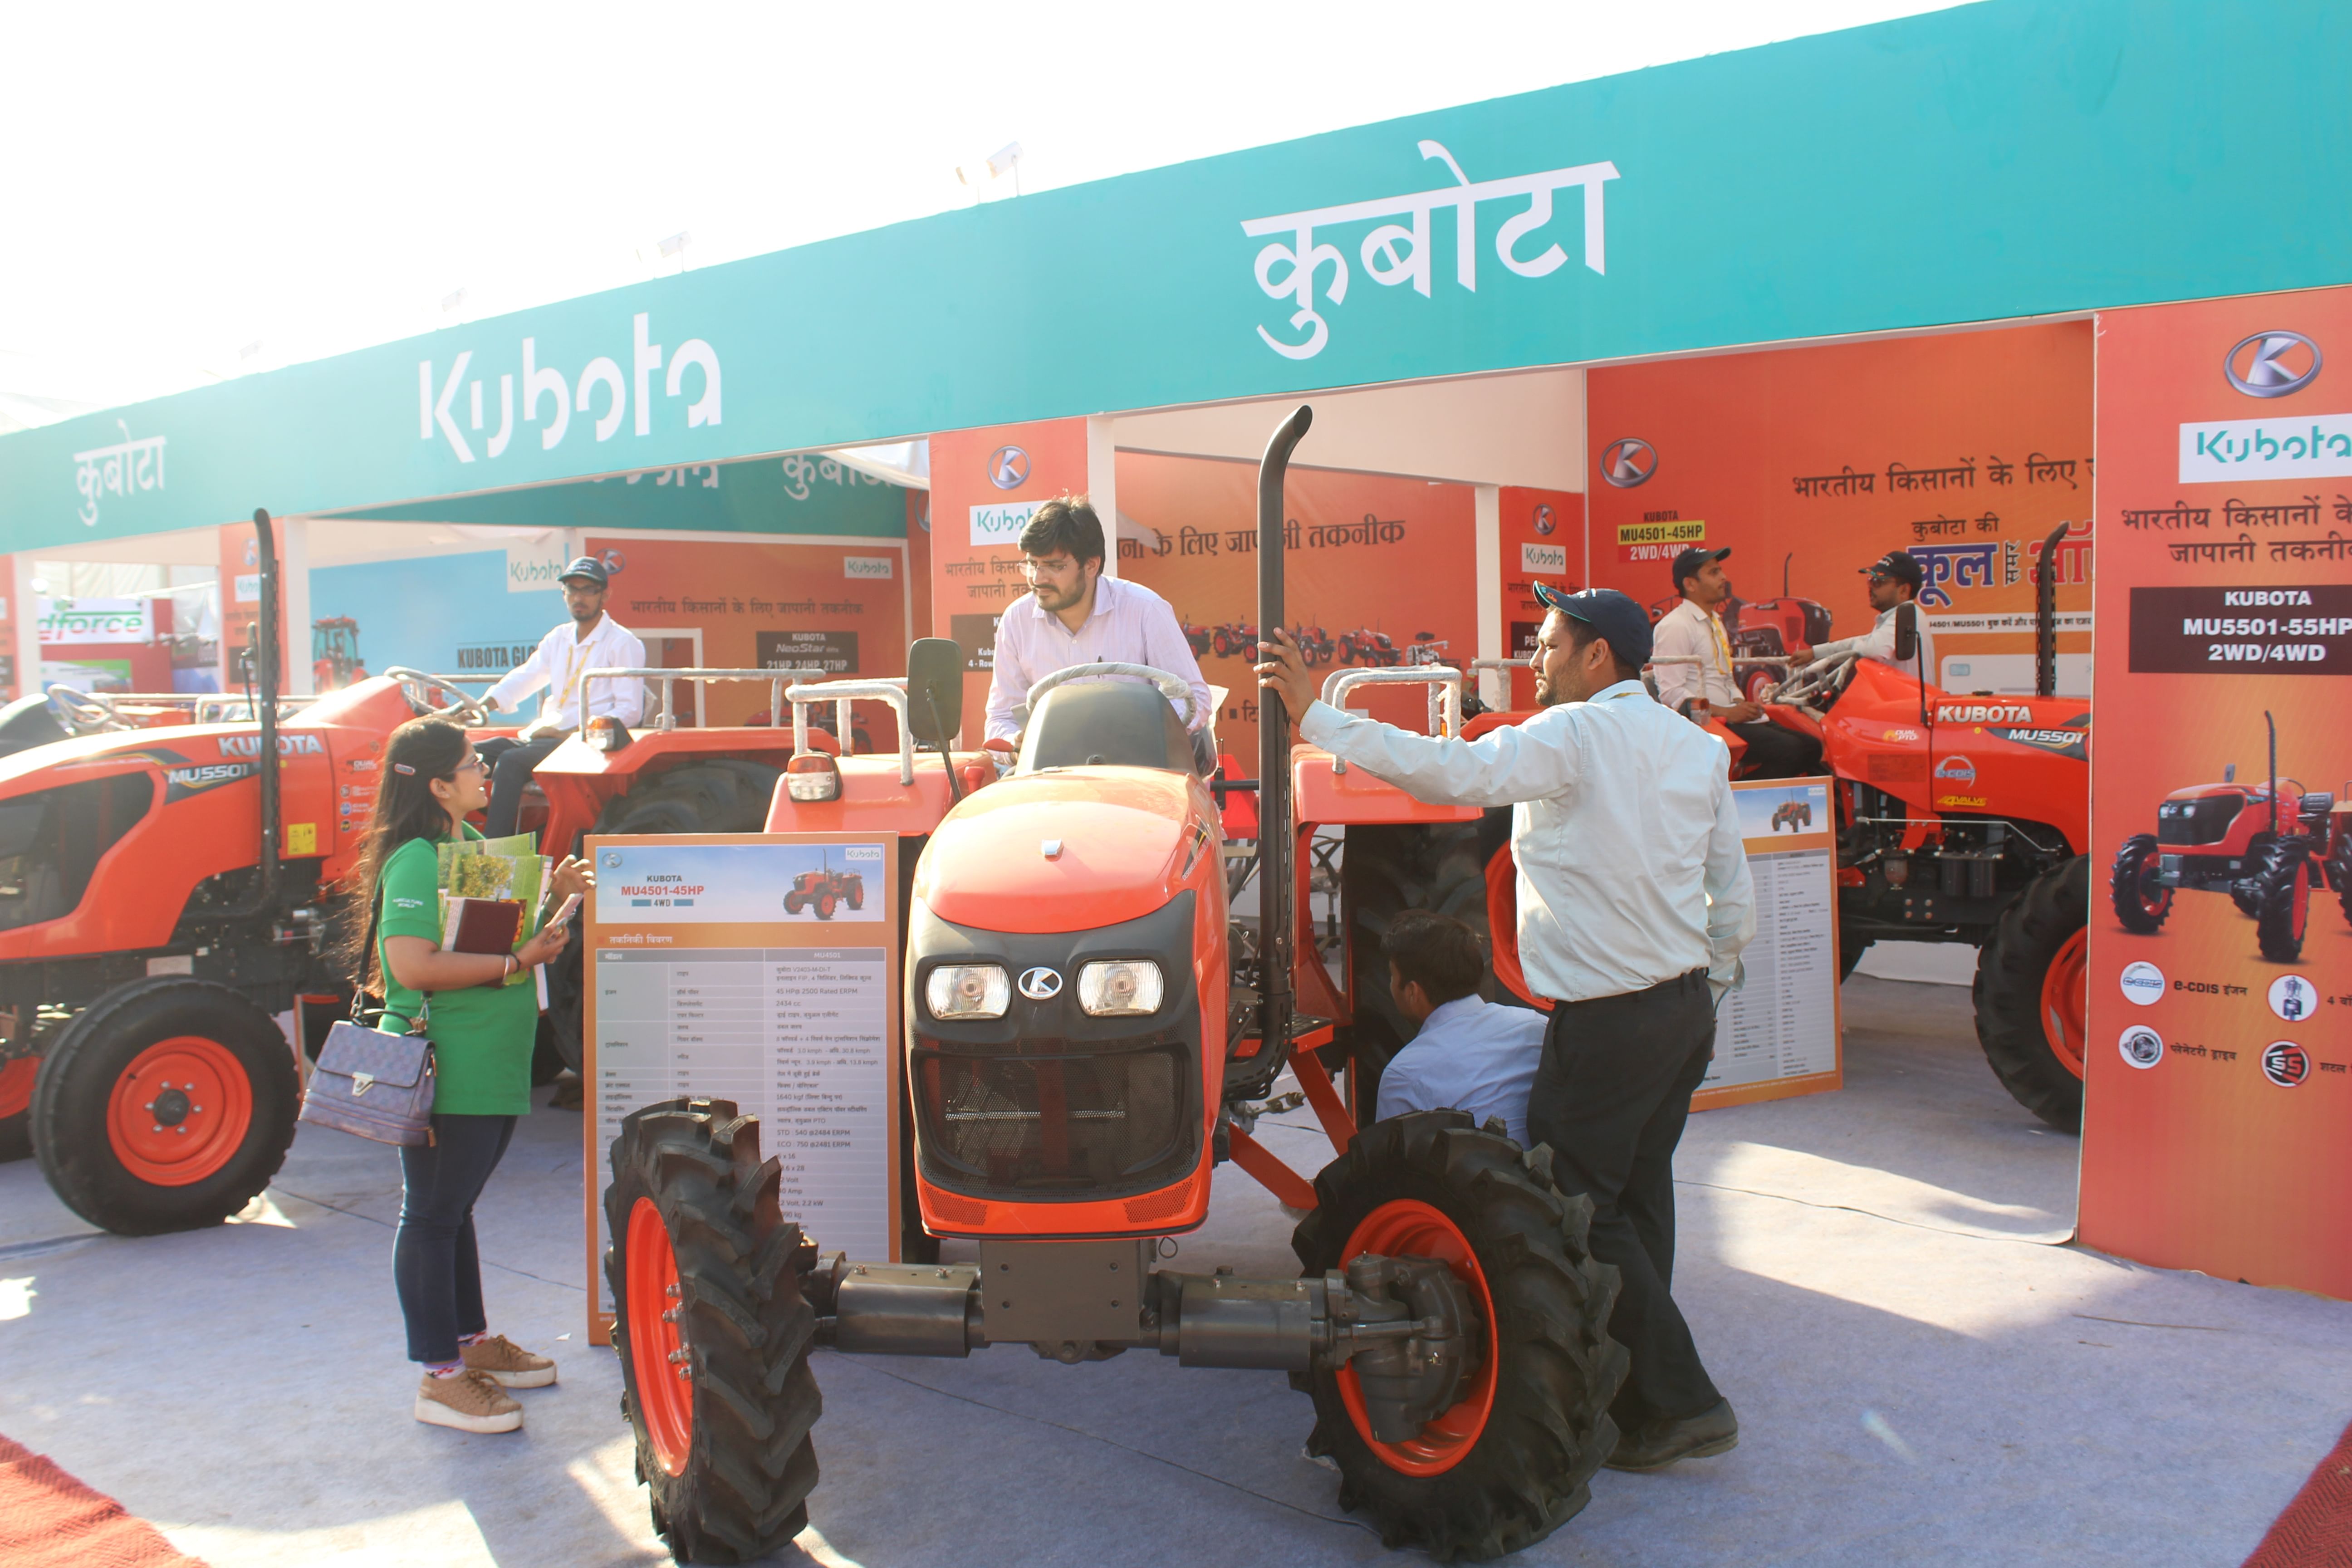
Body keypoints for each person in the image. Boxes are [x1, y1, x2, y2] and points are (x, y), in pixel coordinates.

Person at [1255, 583, 1754, 1474]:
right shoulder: (1695, 747)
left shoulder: (1570, 738)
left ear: (1597, 656)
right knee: (1638, 1201)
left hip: (1606, 1024)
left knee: (1580, 1210)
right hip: (1679, 1016)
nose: (1535, 658)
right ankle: (1638, 1400)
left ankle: (1684, 1402)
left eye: (1551, 643)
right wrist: (1707, 991)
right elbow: (1733, 894)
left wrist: (1316, 720)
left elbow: (1451, 772)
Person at [345, 716, 593, 1433]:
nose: (485, 771)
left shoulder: (475, 849)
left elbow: (494, 940)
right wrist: (520, 964)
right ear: (437, 785)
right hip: (443, 1065)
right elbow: (415, 966)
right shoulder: (418, 858)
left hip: (489, 1062)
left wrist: (556, 904)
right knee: (429, 1215)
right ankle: (440, 1375)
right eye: (470, 764)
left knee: (452, 1210)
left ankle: (470, 1342)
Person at [984, 495, 1217, 773]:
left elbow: (1193, 698)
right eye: (1032, 564)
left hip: (1140, 778)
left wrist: (1149, 734)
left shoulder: (1146, 610)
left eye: (1054, 566)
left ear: (1092, 566)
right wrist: (1016, 744)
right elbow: (1000, 717)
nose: (1038, 578)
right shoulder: (1016, 619)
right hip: (1049, 785)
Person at [478, 558, 645, 838]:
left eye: (588, 590)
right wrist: (482, 706)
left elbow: (630, 711)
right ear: (564, 594)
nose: (578, 597)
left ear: (605, 595)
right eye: (572, 589)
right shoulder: (559, 637)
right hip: (547, 736)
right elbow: (526, 677)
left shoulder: (622, 642)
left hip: (582, 741)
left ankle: (495, 855)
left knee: (510, 761)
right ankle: (456, 838)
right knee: (471, 754)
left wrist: (570, 733)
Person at [1374, 909, 1547, 1145]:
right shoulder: (1536, 1026)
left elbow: (1390, 1172)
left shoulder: (1404, 1075)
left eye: (1392, 976)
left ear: (1413, 992)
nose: (1391, 985)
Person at [1651, 546, 1822, 778]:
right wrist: (1726, 713)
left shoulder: (1715, 621)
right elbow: (1671, 696)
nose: (1724, 578)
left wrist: (1742, 704)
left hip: (1731, 718)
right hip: (1707, 725)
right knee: (1790, 751)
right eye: (1713, 573)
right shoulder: (1675, 626)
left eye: (1720, 571)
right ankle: (1735, 803)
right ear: (1690, 584)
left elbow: (1727, 677)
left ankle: (1747, 800)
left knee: (1813, 747)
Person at [1790, 549, 1936, 682]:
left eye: (1879, 581)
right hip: (1905, 706)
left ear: (1904, 590)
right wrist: (1816, 653)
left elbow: (1872, 650)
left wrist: (1856, 647)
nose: (1871, 587)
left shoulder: (1907, 614)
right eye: (1870, 580)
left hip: (1908, 709)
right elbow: (1863, 643)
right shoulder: (1903, 616)